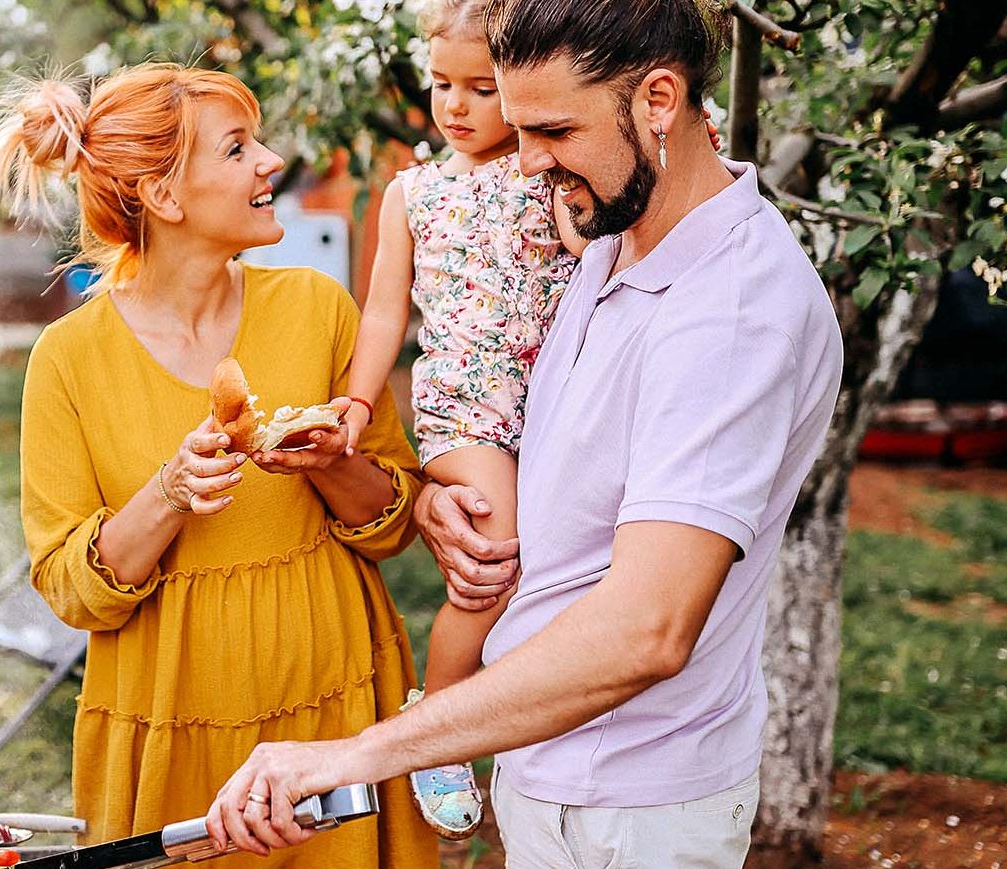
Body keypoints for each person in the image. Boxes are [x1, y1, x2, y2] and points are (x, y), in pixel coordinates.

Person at [202, 1, 844, 866]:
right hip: (550, 773)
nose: (528, 160)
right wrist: (437, 502)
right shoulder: (613, 234)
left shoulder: (729, 313)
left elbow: (647, 629)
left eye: (554, 130)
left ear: (659, 100)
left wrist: (357, 755)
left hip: (631, 809)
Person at [0, 63, 433, 866]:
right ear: (164, 195)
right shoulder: (69, 360)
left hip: (335, 708)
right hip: (172, 731)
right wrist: (169, 492)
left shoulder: (317, 309)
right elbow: (71, 589)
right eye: (237, 148)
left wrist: (330, 461)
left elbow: (393, 526)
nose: (271, 162)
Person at [335, 0, 582, 839]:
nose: (456, 105)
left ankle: (528, 714)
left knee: (556, 565)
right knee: (493, 556)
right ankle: (438, 722)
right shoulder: (413, 192)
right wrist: (359, 399)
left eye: (482, 88)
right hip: (466, 410)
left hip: (554, 403)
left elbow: (592, 256)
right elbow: (383, 312)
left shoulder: (551, 173)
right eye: (443, 84)